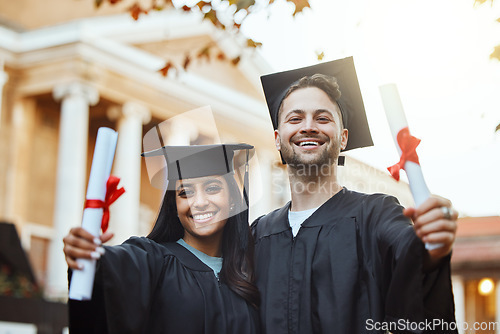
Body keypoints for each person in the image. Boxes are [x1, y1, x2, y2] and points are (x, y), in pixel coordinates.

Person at [253, 57, 458, 334]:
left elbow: (410, 256)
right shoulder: (257, 235)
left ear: (344, 137)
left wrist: (432, 249)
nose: (309, 126)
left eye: (323, 118)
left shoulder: (376, 215)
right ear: (278, 138)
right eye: (295, 118)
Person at [63, 143, 260, 334]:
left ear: (233, 200)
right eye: (186, 192)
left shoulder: (251, 270)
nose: (199, 202)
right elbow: (114, 269)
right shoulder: (154, 260)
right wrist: (89, 255)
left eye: (212, 188)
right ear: (174, 207)